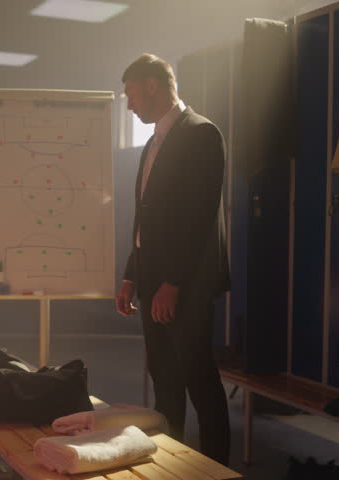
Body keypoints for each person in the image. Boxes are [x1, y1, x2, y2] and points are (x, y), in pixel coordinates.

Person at [115, 53, 231, 464]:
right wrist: (133, 274)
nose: (128, 104)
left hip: (184, 285)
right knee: (164, 382)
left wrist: (173, 283)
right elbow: (148, 218)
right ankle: (171, 464)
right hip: (153, 281)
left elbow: (198, 218)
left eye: (130, 93)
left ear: (152, 86)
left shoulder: (202, 134)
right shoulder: (153, 143)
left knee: (199, 379)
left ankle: (218, 467)